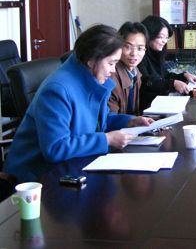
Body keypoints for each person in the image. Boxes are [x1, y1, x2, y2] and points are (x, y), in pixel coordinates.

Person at [4, 24, 153, 183]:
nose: (113, 70)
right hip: (38, 178)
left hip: (74, 165)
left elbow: (99, 122)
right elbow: (56, 148)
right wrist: (106, 140)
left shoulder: (92, 80)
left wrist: (129, 121)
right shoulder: (57, 90)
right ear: (91, 60)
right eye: (111, 63)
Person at [138, 15, 196, 107]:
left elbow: (164, 76)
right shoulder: (139, 55)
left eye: (166, 38)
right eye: (161, 37)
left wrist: (183, 76)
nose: (164, 41)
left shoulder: (156, 53)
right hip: (146, 107)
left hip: (158, 103)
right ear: (149, 35)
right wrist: (172, 83)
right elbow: (146, 81)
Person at [108, 22, 149, 115]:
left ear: (145, 51)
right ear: (118, 47)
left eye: (140, 48)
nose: (134, 53)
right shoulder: (110, 76)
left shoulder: (136, 73)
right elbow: (110, 118)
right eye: (127, 47)